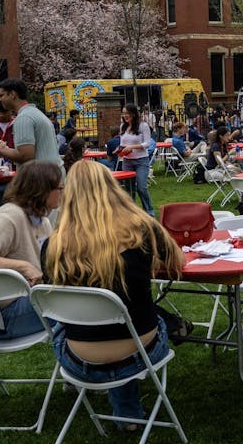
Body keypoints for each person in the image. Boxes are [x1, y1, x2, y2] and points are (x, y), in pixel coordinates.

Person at [44, 160, 183, 428]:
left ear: (68, 193)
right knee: (139, 317)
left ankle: (125, 413)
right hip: (139, 352)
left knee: (94, 317)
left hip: (77, 359)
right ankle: (127, 415)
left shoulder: (54, 245)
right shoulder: (141, 229)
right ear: (113, 187)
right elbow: (176, 261)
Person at [0, 161, 63, 338]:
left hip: (28, 298)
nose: (63, 192)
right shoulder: (11, 216)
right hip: (4, 315)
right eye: (60, 188)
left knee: (82, 296)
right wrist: (23, 267)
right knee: (76, 307)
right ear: (42, 189)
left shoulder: (42, 220)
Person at [0, 78, 63, 171]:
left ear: (13, 94)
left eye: (1, 95)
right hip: (52, 174)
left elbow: (25, 156)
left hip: (42, 178)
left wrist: (0, 150)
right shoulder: (35, 113)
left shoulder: (23, 118)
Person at [119, 104, 154, 215]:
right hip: (127, 161)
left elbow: (147, 143)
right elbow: (122, 144)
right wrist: (121, 150)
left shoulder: (143, 126)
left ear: (133, 114)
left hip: (141, 161)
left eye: (127, 113)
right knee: (129, 189)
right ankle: (132, 213)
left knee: (141, 187)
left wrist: (132, 147)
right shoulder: (122, 127)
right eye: (123, 113)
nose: (125, 115)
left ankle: (149, 212)